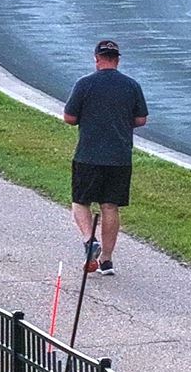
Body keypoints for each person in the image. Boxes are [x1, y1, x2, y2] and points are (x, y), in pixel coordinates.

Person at [61, 37, 147, 275]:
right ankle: (107, 260)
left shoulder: (85, 84)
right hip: (119, 157)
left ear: (97, 59)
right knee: (110, 206)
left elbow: (69, 117)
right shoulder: (131, 86)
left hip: (88, 154)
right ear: (117, 60)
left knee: (80, 202)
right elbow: (141, 119)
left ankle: (90, 241)